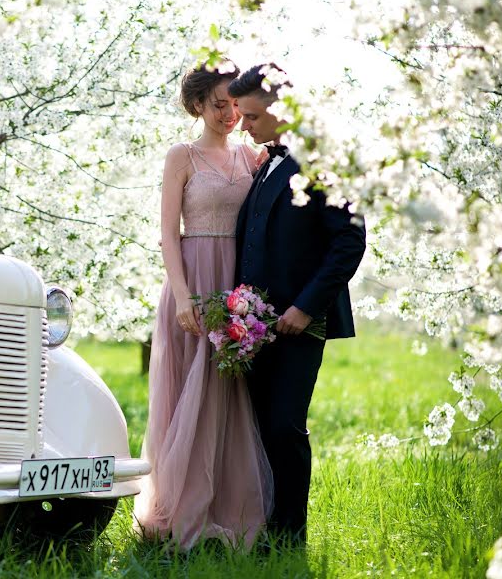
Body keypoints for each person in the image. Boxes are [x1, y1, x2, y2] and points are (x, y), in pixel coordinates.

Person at [133, 61, 273, 551]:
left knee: (226, 396)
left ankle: (225, 508)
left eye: (235, 104)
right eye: (218, 105)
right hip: (192, 281)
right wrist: (183, 295)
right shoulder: (183, 156)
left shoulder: (252, 156)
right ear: (197, 105)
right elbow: (168, 234)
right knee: (188, 395)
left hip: (233, 287)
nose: (230, 114)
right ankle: (180, 509)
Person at [228, 63, 367, 547]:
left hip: (297, 324)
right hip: (254, 326)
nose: (244, 125)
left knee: (285, 426)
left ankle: (291, 538)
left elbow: (349, 242)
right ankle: (260, 527)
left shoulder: (325, 161)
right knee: (261, 428)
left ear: (281, 112)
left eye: (251, 116)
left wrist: (306, 308)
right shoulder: (266, 162)